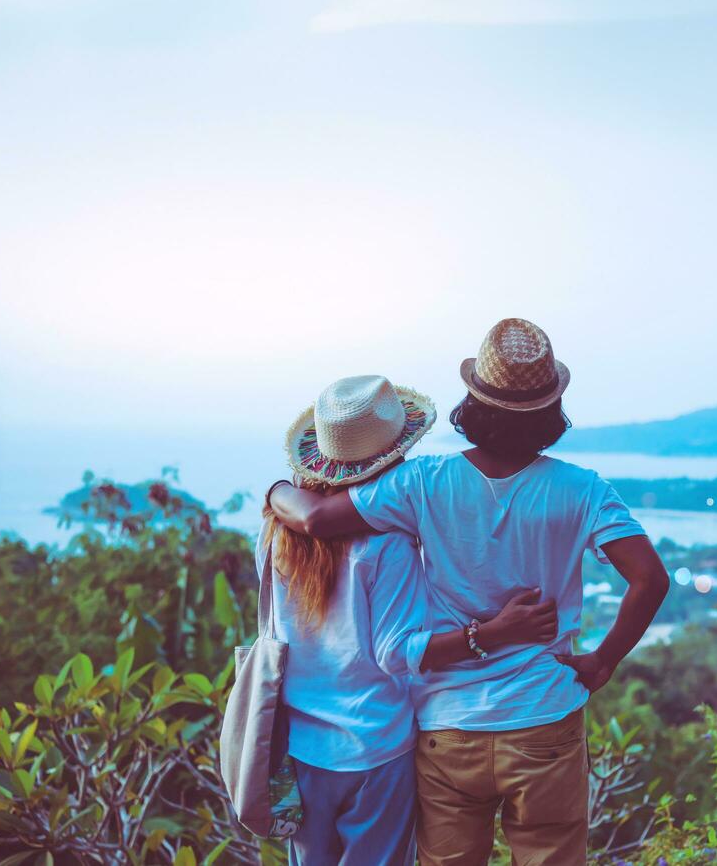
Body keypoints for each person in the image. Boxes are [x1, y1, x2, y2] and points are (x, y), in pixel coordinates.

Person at [270, 319, 671, 866]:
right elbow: (650, 579)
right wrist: (602, 662)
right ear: (551, 412)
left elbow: (316, 518)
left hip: (448, 725)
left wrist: (274, 489)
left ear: (473, 405)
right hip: (544, 717)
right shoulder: (583, 489)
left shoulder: (422, 482)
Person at [261, 374, 562, 866]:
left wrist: (276, 490)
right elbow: (398, 653)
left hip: (303, 745)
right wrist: (492, 634)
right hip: (376, 747)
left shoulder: (277, 533)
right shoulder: (388, 545)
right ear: (393, 459)